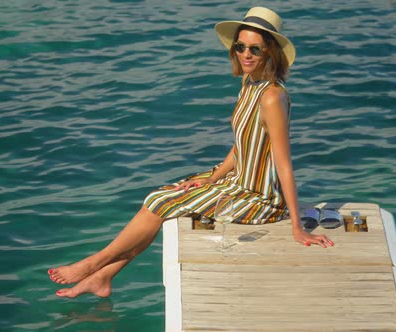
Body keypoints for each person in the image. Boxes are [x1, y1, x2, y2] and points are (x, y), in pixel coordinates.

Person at [48, 6, 334, 299]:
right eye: (240, 47)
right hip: (235, 182)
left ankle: (94, 264)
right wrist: (214, 178)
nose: (246, 55)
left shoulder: (273, 96)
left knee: (161, 203)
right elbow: (243, 145)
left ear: (269, 52)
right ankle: (104, 277)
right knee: (159, 197)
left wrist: (297, 228)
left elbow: (284, 164)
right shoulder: (249, 84)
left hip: (259, 199)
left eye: (255, 49)